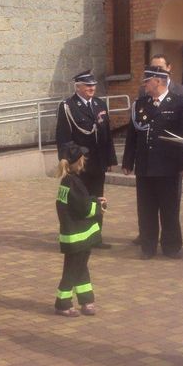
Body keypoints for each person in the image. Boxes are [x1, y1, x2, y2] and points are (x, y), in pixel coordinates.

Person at [122, 66, 183, 259]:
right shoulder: (141, 104)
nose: (144, 85)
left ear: (158, 81)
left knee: (169, 209)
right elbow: (132, 135)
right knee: (146, 209)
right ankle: (148, 246)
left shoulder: (179, 104)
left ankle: (171, 246)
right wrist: (128, 161)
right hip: (145, 165)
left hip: (168, 167)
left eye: (147, 81)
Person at [55, 70, 117, 249]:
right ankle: (80, 235)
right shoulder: (68, 106)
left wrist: (110, 159)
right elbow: (63, 137)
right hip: (79, 164)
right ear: (78, 87)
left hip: (98, 163)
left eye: (93, 85)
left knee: (97, 199)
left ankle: (96, 237)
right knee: (80, 200)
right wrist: (66, 161)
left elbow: (107, 135)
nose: (92, 88)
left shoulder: (100, 104)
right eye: (88, 85)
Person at [53, 143, 105, 317]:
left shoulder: (68, 182)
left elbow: (77, 203)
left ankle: (86, 300)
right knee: (72, 269)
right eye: (83, 158)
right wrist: (99, 206)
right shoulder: (73, 182)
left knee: (80, 267)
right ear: (77, 162)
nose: (85, 160)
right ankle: (62, 303)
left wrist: (93, 200)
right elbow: (83, 208)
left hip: (74, 235)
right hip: (78, 235)